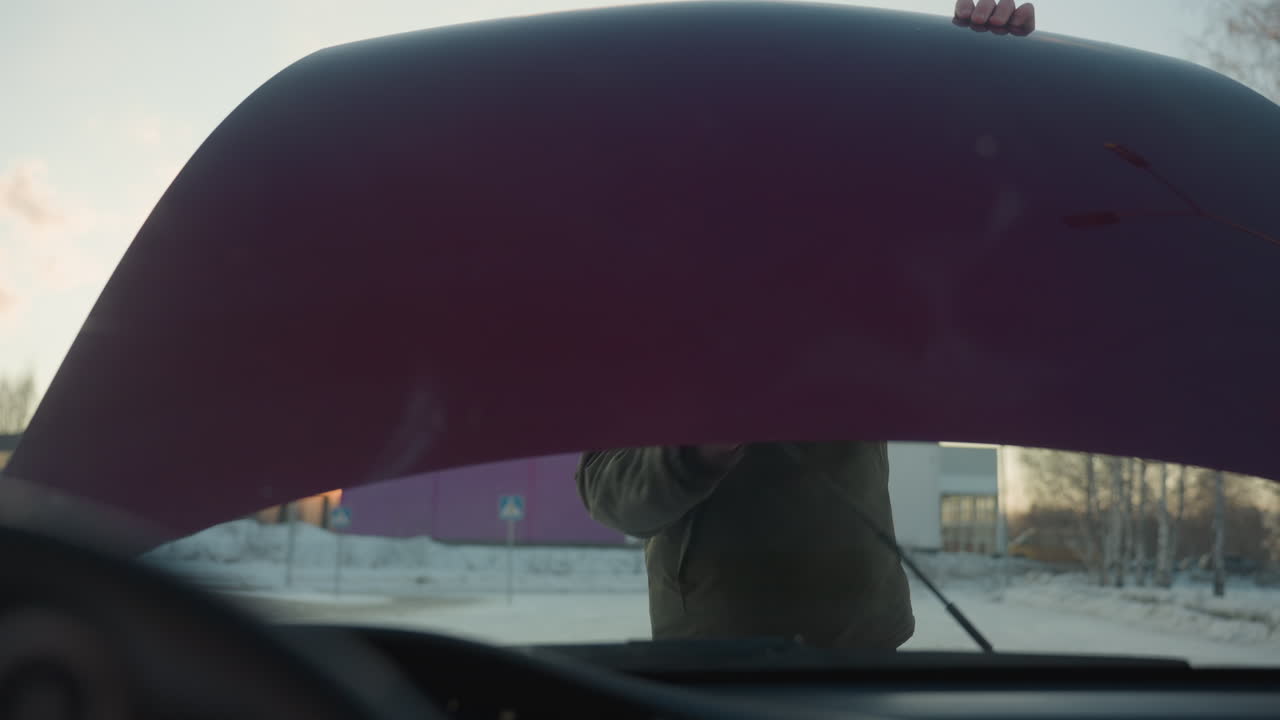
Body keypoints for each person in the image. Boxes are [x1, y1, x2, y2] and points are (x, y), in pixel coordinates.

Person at [576, 0, 1036, 650]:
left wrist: (991, 76)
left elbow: (971, 220)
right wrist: (695, 450)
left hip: (865, 645)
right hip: (712, 654)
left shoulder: (864, 267)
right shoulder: (651, 297)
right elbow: (606, 491)